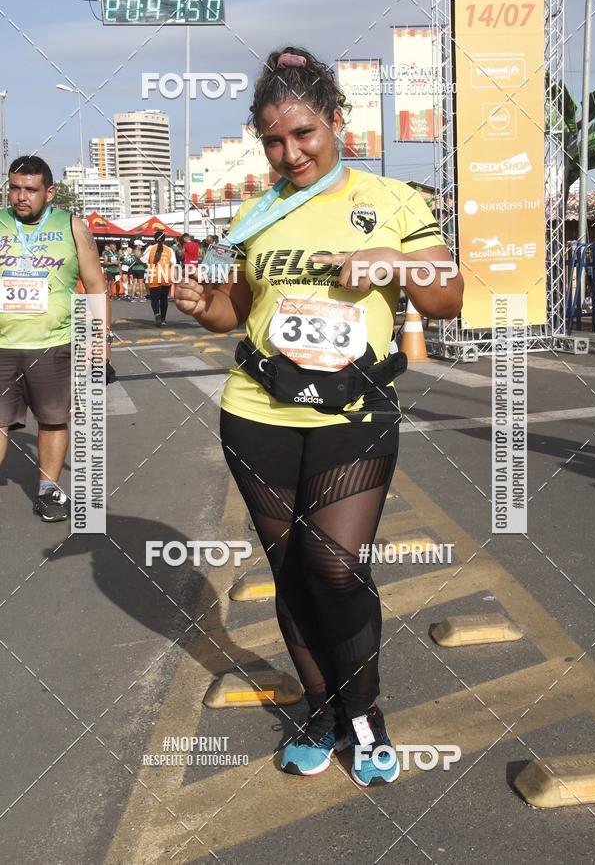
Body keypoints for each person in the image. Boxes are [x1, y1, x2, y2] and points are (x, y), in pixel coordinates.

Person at [175, 47, 463, 787]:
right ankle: (321, 710)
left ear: (337, 120)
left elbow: (446, 297)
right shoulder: (257, 212)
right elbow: (235, 312)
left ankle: (364, 716)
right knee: (292, 573)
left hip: (353, 412)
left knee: (334, 565)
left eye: (304, 133)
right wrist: (203, 305)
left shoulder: (393, 201)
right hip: (256, 410)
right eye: (273, 140)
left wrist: (391, 261)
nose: (290, 153)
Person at [0, 154, 110, 521]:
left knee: (52, 420)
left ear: (49, 192)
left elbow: (95, 285)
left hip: (53, 343)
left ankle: (47, 492)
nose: (21, 197)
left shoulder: (72, 226)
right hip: (2, 344)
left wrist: (101, 343)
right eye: (14, 188)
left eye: (31, 190)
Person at [143, 229, 176, 326]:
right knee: (164, 298)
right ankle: (163, 319)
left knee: (154, 299)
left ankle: (157, 314)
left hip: (154, 276)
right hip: (166, 276)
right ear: (164, 239)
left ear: (154, 239)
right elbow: (173, 265)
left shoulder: (150, 249)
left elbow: (143, 260)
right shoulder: (170, 250)